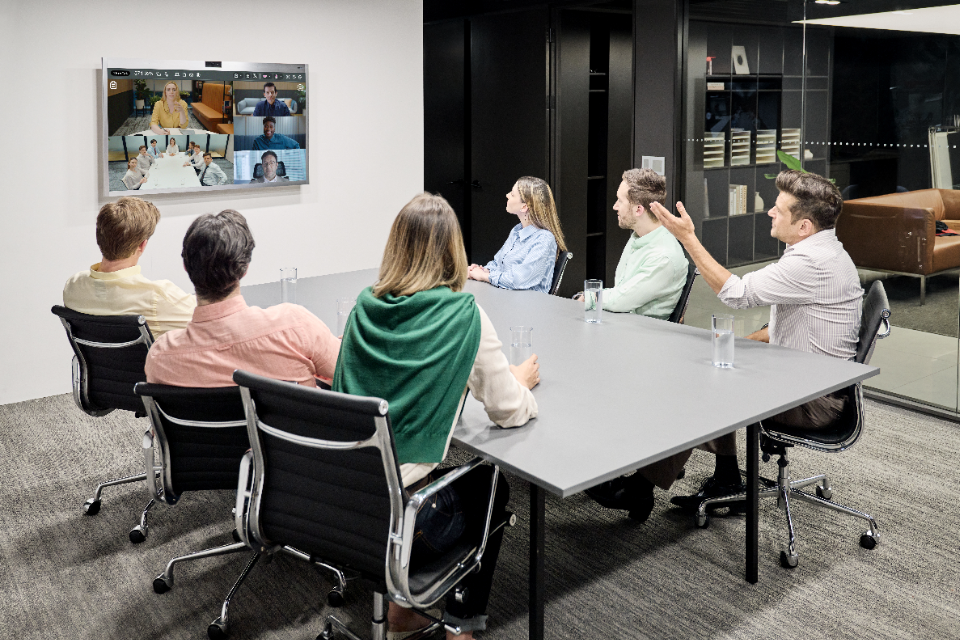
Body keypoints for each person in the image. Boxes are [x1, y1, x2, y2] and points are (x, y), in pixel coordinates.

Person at [589, 170, 863, 521]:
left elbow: (736, 293)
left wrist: (688, 238)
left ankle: (640, 488)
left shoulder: (811, 263)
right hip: (809, 378)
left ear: (804, 226)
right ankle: (726, 477)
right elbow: (790, 325)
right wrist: (739, 344)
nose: (770, 212)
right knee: (708, 370)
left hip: (813, 401)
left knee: (696, 388)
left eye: (779, 209)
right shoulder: (826, 252)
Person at [333, 193, 539, 640]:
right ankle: (460, 628)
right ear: (453, 251)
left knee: (423, 473)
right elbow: (508, 411)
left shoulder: (363, 306)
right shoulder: (465, 314)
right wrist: (519, 381)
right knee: (489, 482)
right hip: (407, 521)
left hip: (342, 501)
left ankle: (403, 612)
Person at [145, 210, 340, 387]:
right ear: (244, 268)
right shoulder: (295, 327)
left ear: (186, 267)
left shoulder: (161, 357)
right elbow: (351, 371)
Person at [63, 197, 195, 338]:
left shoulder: (73, 286)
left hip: (94, 361)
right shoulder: (156, 297)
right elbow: (211, 316)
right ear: (142, 245)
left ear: (98, 238)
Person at [467, 176, 566, 293]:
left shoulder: (544, 239)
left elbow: (520, 280)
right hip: (506, 296)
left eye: (512, 194)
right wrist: (483, 270)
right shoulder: (517, 230)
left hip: (528, 305)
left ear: (524, 207)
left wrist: (485, 277)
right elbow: (498, 263)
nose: (507, 195)